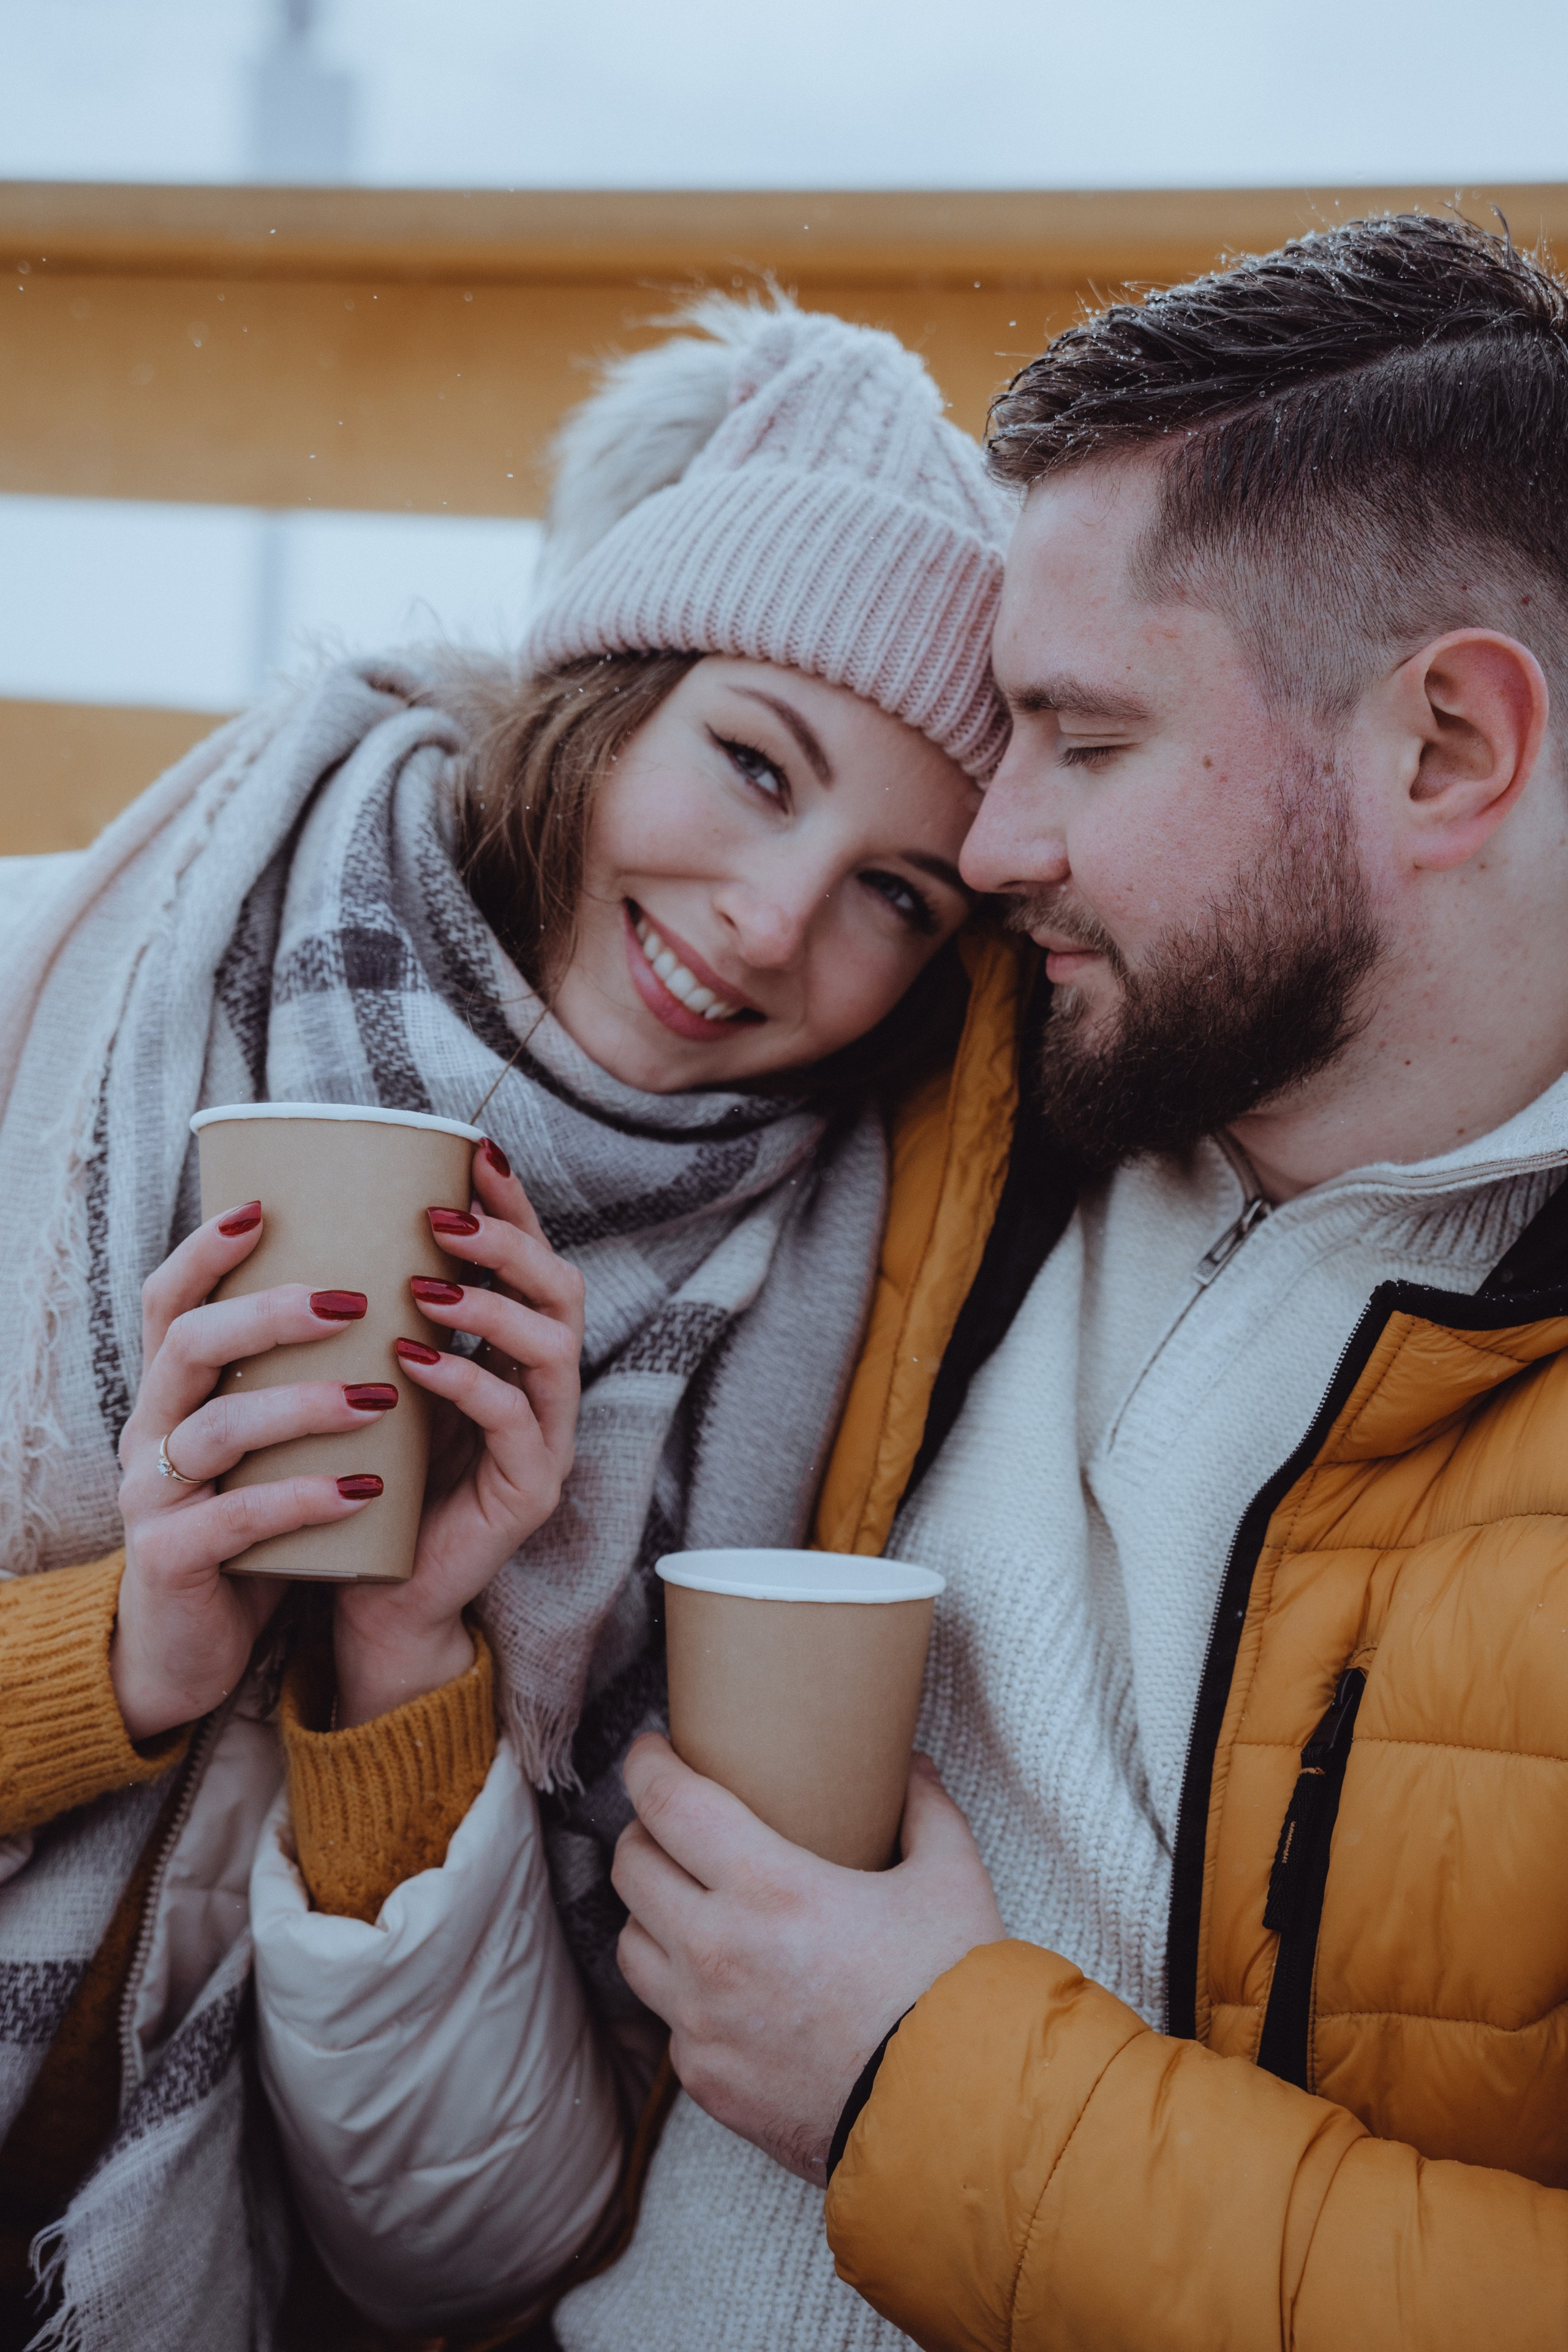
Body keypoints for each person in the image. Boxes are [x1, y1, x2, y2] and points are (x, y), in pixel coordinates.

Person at [0, 296, 1019, 2351]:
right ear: (604, 691)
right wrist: (111, 1654)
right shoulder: (63, 983)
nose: (767, 923)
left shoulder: (831, 1318)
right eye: (753, 765)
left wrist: (405, 1673)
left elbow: (483, 2253)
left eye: (897, 893)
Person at [605, 211, 1568, 2351]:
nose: (993, 839)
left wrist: (919, 2074)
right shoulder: (953, 1049)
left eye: (1084, 739)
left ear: (1444, 753)